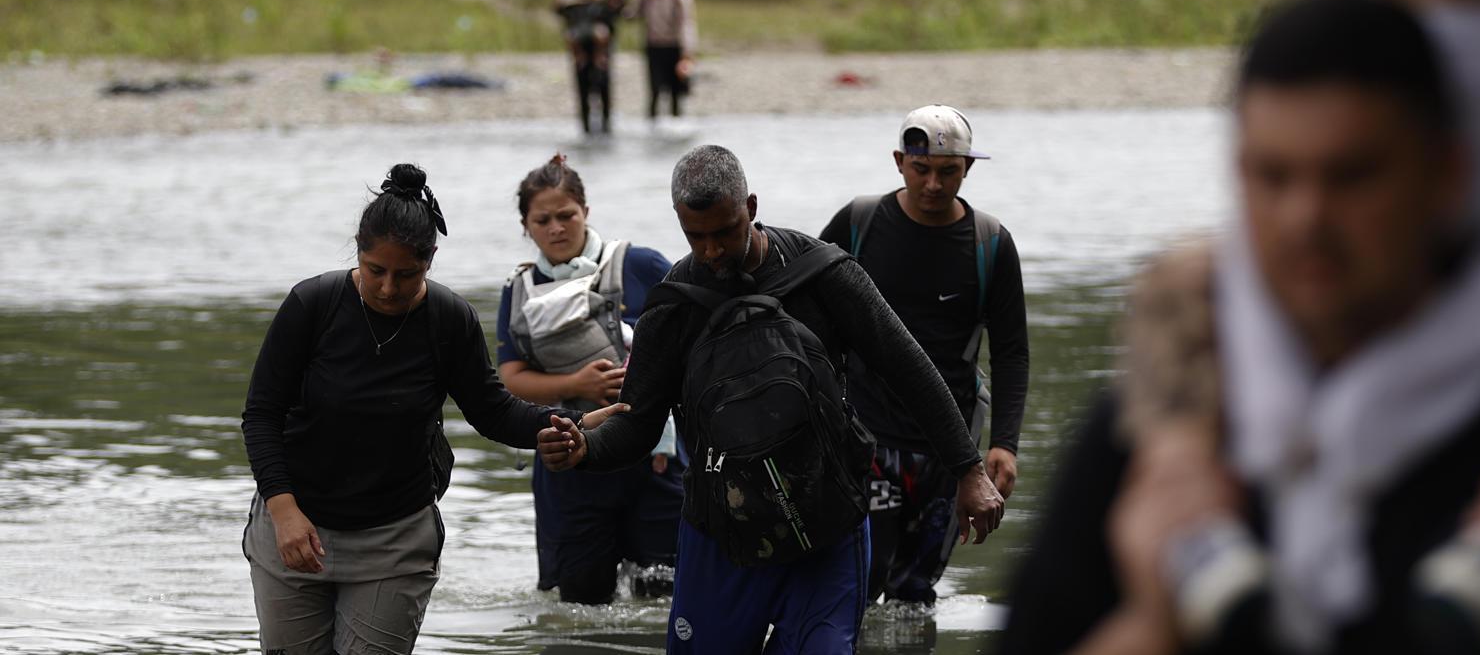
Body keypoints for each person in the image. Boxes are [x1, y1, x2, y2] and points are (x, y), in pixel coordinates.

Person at [998, 0, 1480, 654]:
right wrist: (1156, 626)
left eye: (1352, 176)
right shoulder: (1147, 441)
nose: (1305, 218)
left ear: (1447, 176)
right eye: (1272, 176)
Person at [535, 145, 1006, 653]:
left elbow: (909, 369)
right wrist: (586, 449)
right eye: (696, 236)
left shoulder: (824, 274)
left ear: (751, 207)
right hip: (720, 531)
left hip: (827, 520)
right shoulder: (672, 308)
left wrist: (968, 468)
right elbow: (637, 426)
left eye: (725, 232)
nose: (712, 251)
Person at [241, 163, 627, 655]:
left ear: (431, 260)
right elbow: (262, 414)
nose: (387, 288)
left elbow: (493, 412)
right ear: (357, 251)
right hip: (294, 523)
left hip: (396, 537)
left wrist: (575, 424)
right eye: (375, 270)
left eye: (406, 275)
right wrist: (284, 511)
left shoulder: (448, 319)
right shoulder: (312, 305)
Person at [817, 105, 1029, 607]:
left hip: (951, 447)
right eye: (921, 169)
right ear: (899, 162)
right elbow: (807, 311)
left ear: (967, 168)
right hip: (866, 436)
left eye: (948, 171)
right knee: (858, 584)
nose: (933, 184)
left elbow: (1011, 351)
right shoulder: (858, 223)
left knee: (914, 594)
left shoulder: (990, 244)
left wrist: (1005, 443)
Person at [495, 154, 684, 603]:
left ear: (586, 211)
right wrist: (576, 385)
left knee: (664, 595)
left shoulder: (640, 265)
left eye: (567, 215)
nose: (556, 228)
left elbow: (693, 339)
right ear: (526, 226)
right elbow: (510, 377)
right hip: (568, 462)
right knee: (580, 599)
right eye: (543, 220)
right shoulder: (518, 290)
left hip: (654, 460)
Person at [555, 0, 625, 135]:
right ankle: (585, 128)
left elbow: (619, 4)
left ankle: (606, 126)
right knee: (582, 83)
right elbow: (559, 7)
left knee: (603, 81)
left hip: (602, 38)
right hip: (579, 36)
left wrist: (603, 3)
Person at [626, 0, 697, 122]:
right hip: (654, 47)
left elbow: (687, 24)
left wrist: (687, 54)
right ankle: (651, 123)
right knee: (655, 89)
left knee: (675, 92)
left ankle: (676, 123)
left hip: (674, 46)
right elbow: (632, 14)